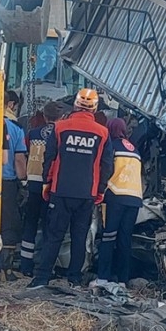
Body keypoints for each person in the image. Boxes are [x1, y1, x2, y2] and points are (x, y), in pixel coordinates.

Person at [28, 89, 114, 288]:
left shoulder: (60, 128)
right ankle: (74, 279)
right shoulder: (103, 133)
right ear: (95, 108)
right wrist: (100, 191)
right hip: (87, 193)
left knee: (54, 235)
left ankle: (41, 277)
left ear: (75, 105)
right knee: (79, 237)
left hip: (61, 190)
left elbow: (49, 159)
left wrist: (46, 184)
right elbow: (107, 165)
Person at [91, 117, 143, 288]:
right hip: (134, 199)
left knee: (108, 237)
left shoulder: (111, 146)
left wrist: (99, 191)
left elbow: (105, 170)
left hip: (115, 196)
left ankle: (103, 278)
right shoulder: (134, 149)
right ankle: (123, 280)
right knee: (124, 240)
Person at [19, 101, 66, 277]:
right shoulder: (62, 134)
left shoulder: (32, 133)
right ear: (61, 117)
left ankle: (25, 265)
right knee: (49, 226)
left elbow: (25, 153)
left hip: (33, 183)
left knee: (30, 223)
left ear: (44, 116)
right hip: (51, 184)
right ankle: (45, 267)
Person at [0, 90, 27, 280]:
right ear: (10, 105)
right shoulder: (15, 129)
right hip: (7, 183)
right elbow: (18, 160)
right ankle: (5, 270)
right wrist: (24, 180)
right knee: (9, 225)